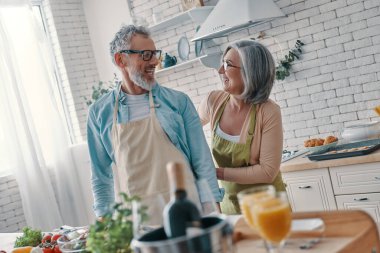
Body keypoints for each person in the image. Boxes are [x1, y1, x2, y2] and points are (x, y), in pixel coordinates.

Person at [87, 24, 223, 218]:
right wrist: (104, 221)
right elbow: (101, 176)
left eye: (155, 54)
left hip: (191, 213)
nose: (155, 62)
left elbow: (202, 161)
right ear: (121, 59)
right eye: (146, 55)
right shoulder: (99, 113)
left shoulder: (178, 102)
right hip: (140, 222)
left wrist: (213, 210)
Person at [198, 40, 285, 215]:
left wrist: (215, 173)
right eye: (222, 63)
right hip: (231, 206)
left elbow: (267, 171)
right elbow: (186, 131)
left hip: (268, 207)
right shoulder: (213, 102)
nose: (220, 70)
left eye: (227, 65)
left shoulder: (268, 111)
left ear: (249, 72)